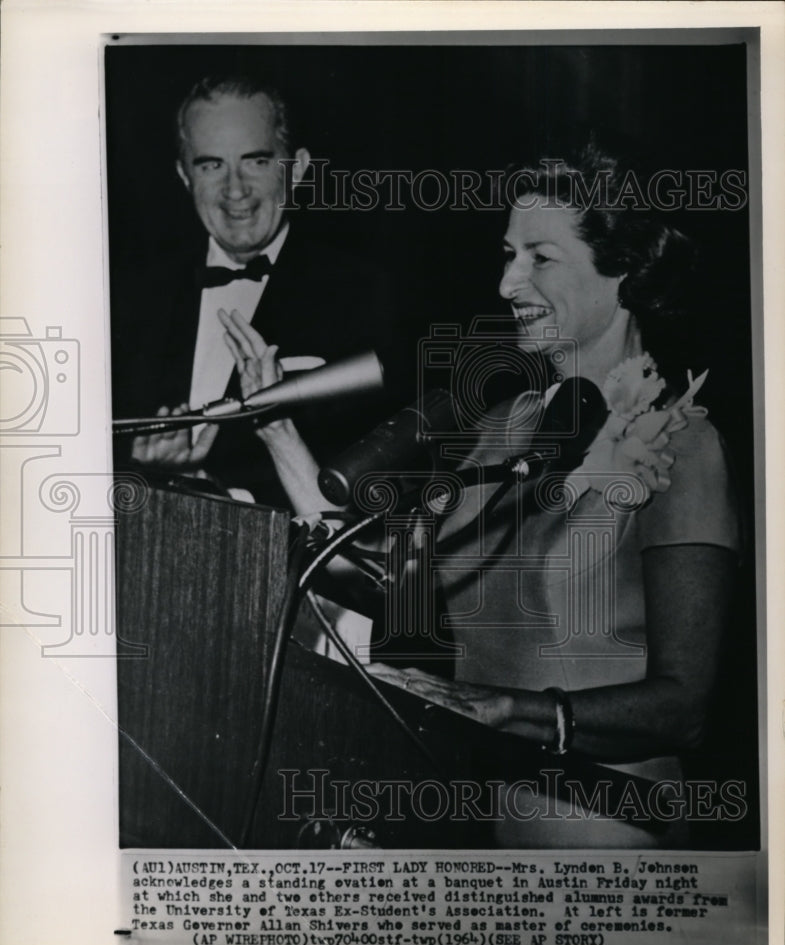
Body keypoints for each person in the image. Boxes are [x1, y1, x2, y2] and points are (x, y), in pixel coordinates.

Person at [366, 134, 741, 847]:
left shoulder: (681, 442)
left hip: (613, 835)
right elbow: (400, 581)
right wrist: (276, 435)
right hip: (503, 828)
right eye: (508, 255)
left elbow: (685, 706)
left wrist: (513, 710)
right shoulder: (511, 426)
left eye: (540, 258)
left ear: (623, 271)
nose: (508, 283)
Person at [110, 72, 401, 509]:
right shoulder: (131, 300)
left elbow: (379, 485)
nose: (235, 190)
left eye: (256, 161)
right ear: (184, 175)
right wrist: (155, 476)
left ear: (297, 168)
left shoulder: (364, 294)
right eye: (211, 165)